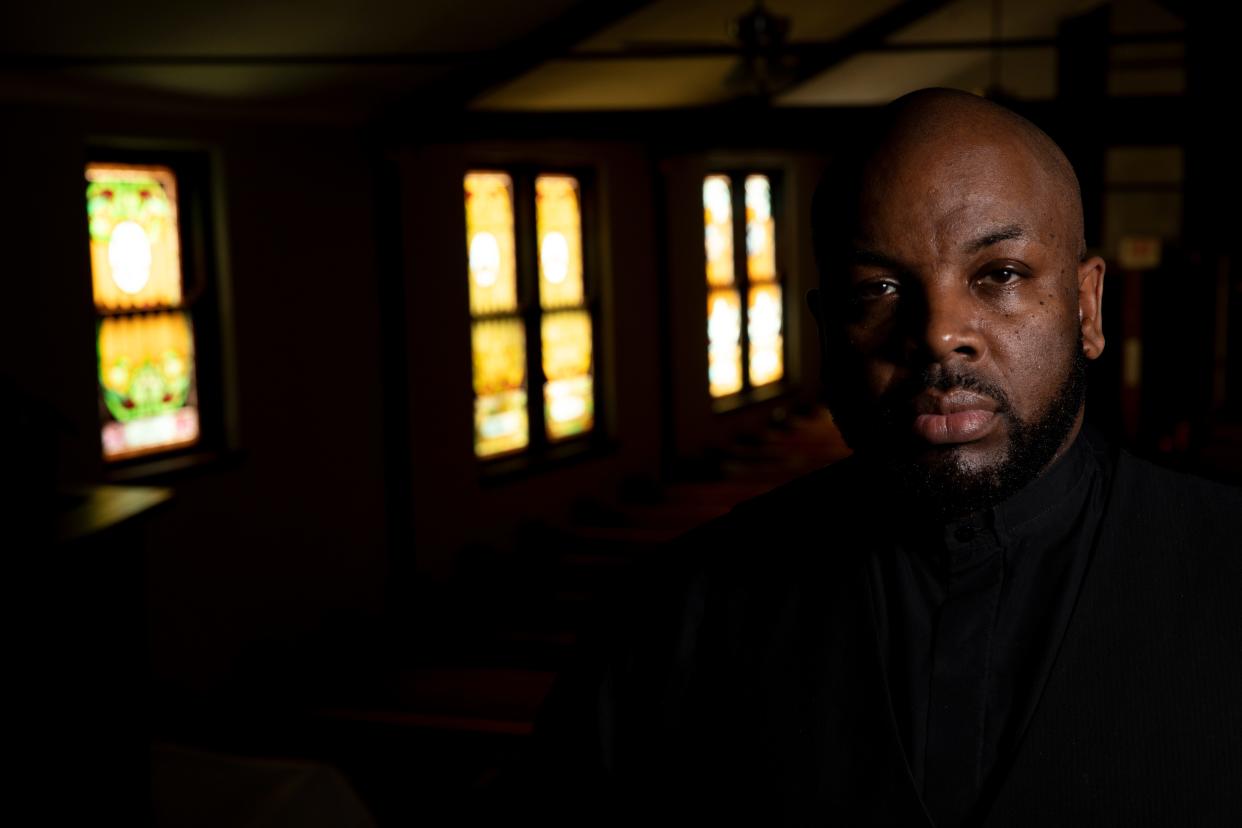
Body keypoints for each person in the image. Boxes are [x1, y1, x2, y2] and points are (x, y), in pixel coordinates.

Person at [519, 88, 1242, 827]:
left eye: (998, 274)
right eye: (880, 288)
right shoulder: (677, 616)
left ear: (1087, 308)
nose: (939, 334)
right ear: (828, 331)